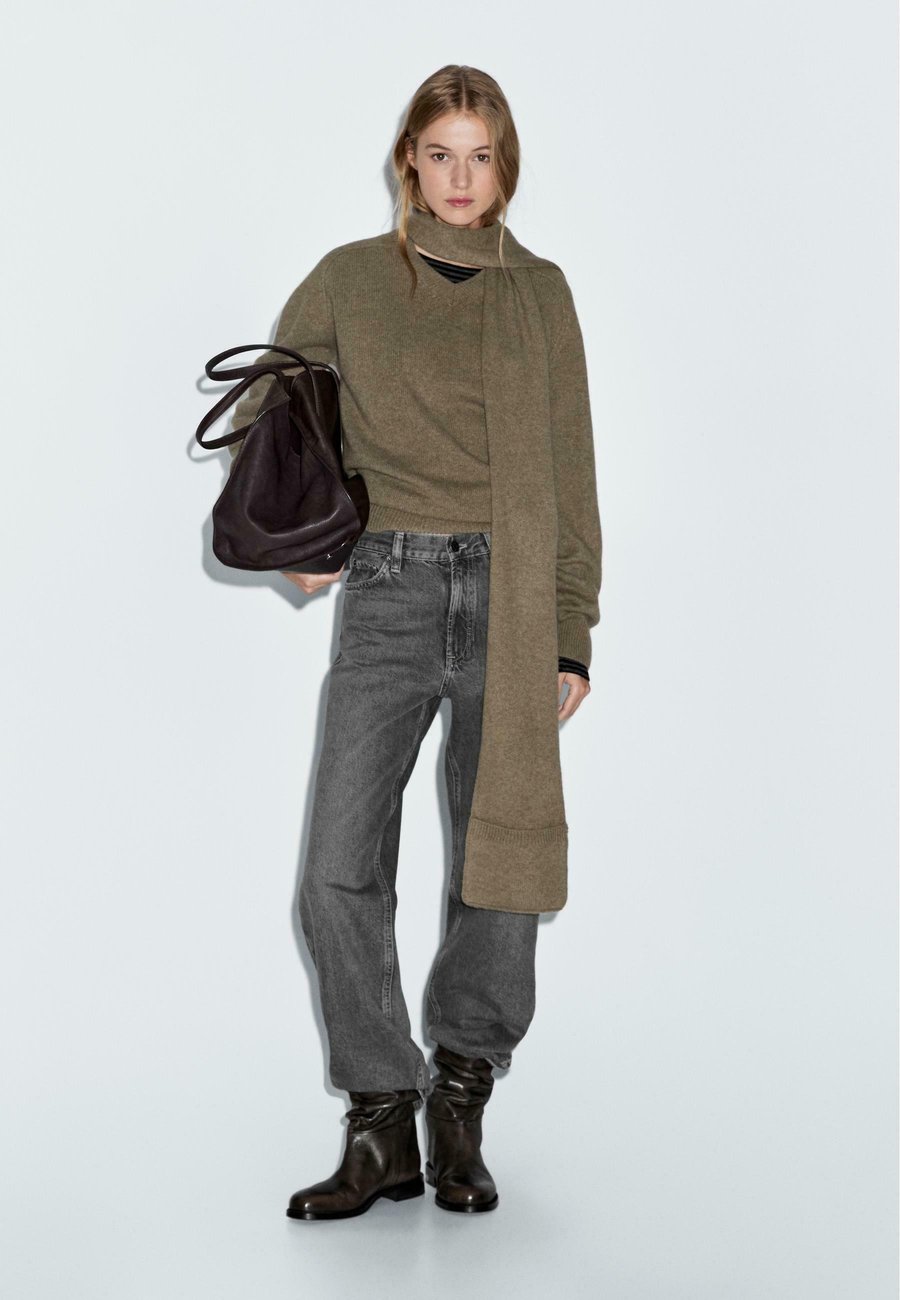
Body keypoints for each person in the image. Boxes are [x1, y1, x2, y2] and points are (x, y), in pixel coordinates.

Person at [224, 64, 603, 1220]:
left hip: (512, 592)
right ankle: (382, 1118)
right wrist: (294, 534)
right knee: (337, 867)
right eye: (441, 154)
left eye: (479, 156)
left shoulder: (540, 293)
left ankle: (462, 1098)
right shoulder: (350, 279)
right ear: (409, 161)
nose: (459, 177)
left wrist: (571, 630)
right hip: (389, 588)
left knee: (501, 865)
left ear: (505, 166)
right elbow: (271, 405)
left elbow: (572, 472)